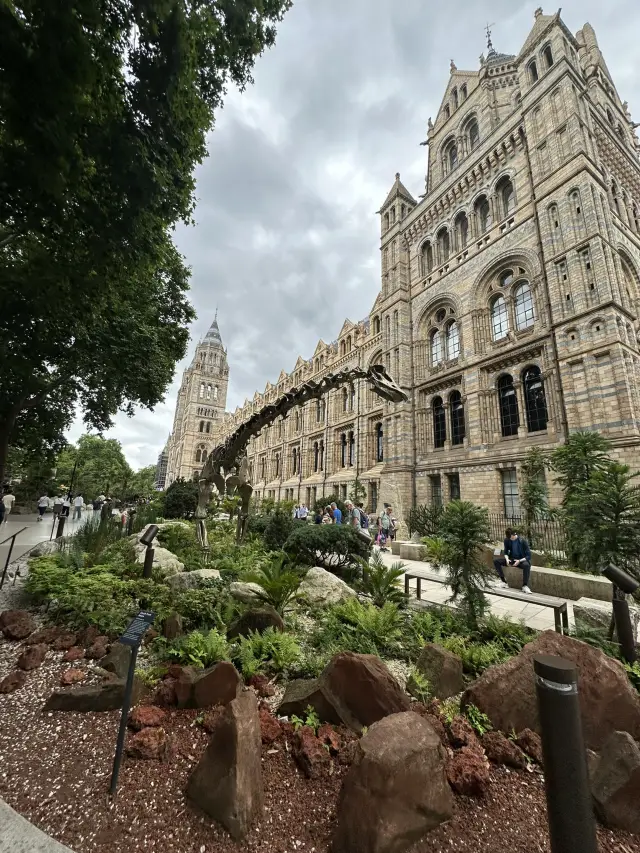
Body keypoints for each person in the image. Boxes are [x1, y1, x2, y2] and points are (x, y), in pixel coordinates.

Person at [493, 528, 532, 593]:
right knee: (496, 561)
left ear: (515, 534)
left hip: (520, 561)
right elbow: (505, 552)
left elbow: (529, 556)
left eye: (512, 537)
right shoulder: (507, 540)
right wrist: (507, 559)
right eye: (509, 538)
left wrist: (519, 561)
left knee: (527, 565)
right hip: (512, 560)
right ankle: (504, 582)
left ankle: (525, 586)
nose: (511, 539)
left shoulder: (523, 541)